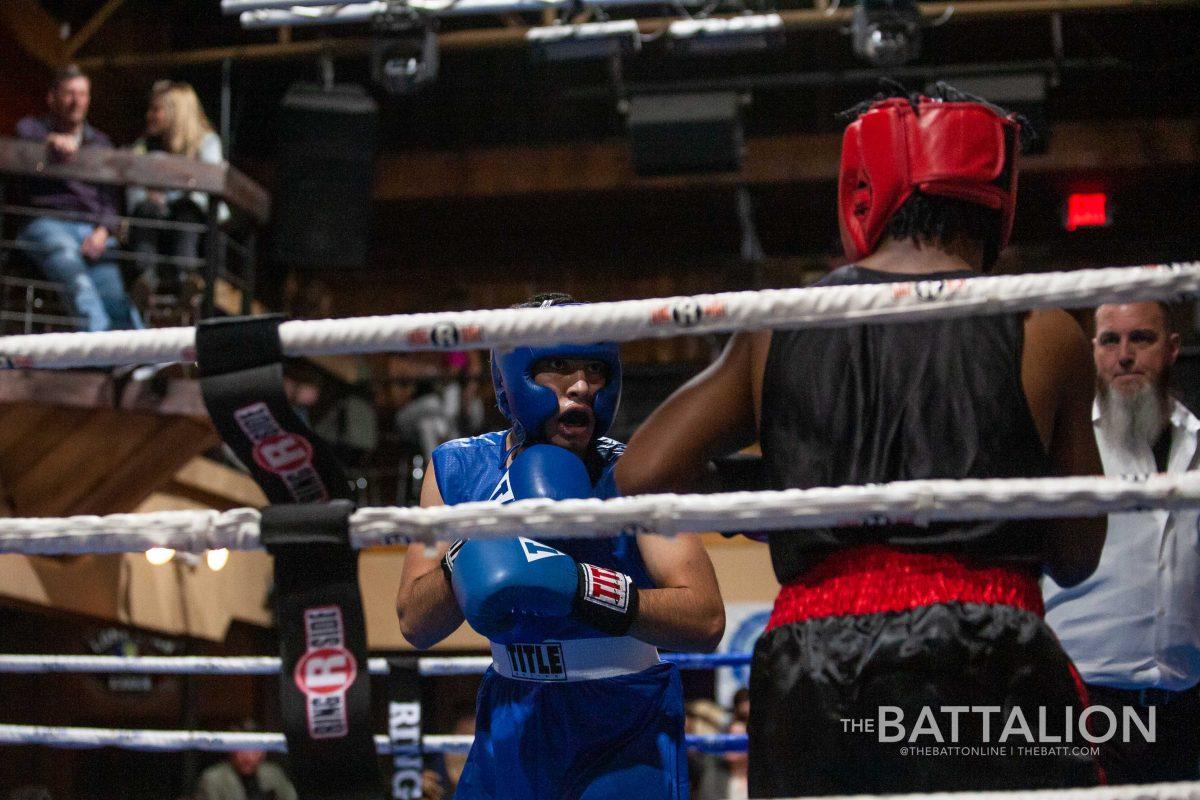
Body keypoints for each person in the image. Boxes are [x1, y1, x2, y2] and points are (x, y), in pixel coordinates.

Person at [614, 84, 1107, 797]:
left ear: (865, 188)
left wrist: (779, 499)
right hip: (984, 646)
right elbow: (1076, 556)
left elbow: (643, 472)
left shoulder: (782, 322)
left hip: (814, 654)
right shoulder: (1046, 331)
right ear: (998, 193)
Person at [396, 293, 725, 800]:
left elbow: (705, 620)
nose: (581, 387)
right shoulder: (456, 471)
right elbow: (415, 623)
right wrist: (486, 529)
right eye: (558, 367)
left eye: (596, 370)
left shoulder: (635, 474)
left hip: (622, 718)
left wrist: (582, 588)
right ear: (509, 381)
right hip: (513, 714)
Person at [1044, 301, 1200, 783]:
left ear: (1172, 348)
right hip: (1082, 699)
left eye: (1142, 339)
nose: (1125, 355)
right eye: (1111, 340)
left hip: (1184, 706)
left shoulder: (1198, 438)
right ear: (1092, 351)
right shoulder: (1066, 444)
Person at [14, 64, 139, 332]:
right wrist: (49, 141)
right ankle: (103, 348)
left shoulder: (101, 143)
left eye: (82, 94)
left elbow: (110, 199)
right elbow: (23, 135)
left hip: (91, 229)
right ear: (53, 97)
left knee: (114, 292)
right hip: (47, 223)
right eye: (69, 93)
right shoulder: (32, 129)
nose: (76, 101)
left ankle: (139, 356)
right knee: (77, 279)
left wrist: (104, 231)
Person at [126, 80, 226, 307]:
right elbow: (134, 192)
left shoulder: (207, 143)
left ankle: (188, 278)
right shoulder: (144, 146)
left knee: (186, 208)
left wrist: (168, 196)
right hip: (156, 227)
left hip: (195, 229)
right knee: (146, 207)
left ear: (175, 113)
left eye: (156, 110)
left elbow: (208, 191)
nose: (149, 116)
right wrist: (150, 199)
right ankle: (145, 279)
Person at [196, 723, 297, 800]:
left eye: (254, 749)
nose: (248, 757)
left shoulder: (273, 773)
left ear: (264, 752)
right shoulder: (213, 779)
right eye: (242, 748)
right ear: (230, 749)